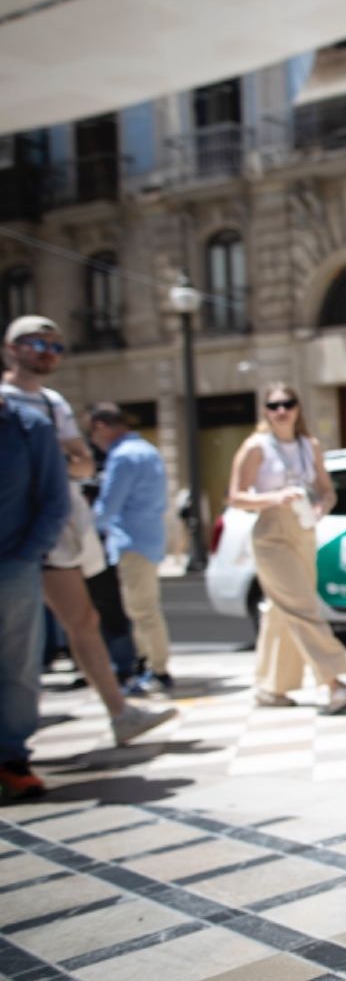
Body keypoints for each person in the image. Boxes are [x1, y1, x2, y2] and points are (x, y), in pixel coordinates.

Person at [2, 316, 176, 747]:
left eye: (55, 345)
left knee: (78, 623)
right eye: (36, 343)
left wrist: (46, 457)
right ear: (10, 348)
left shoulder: (50, 406)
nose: (47, 352)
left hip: (50, 533)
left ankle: (118, 713)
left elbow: (81, 464)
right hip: (11, 529)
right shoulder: (8, 402)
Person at [226, 383, 346, 715]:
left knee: (282, 610)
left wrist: (321, 508)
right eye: (274, 405)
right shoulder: (255, 447)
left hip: (304, 530)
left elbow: (327, 491)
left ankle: (271, 687)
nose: (281, 411)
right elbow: (235, 496)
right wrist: (274, 498)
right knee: (301, 606)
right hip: (271, 533)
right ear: (265, 411)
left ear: (297, 408)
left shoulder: (310, 445)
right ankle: (333, 683)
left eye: (287, 404)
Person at [0, 390, 71, 798]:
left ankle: (11, 758)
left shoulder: (30, 427)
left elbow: (54, 499)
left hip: (13, 563)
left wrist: (27, 554)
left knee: (17, 663)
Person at [85, 402, 174, 692]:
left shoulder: (122, 457)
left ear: (100, 426)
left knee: (142, 610)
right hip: (150, 537)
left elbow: (108, 506)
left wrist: (83, 527)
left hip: (130, 541)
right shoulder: (148, 450)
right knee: (145, 608)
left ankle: (156, 671)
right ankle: (151, 667)